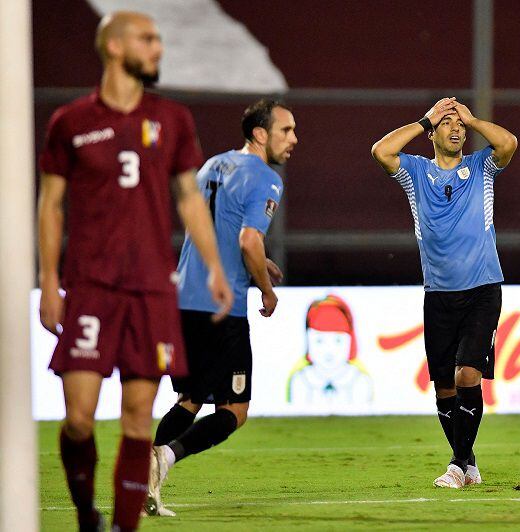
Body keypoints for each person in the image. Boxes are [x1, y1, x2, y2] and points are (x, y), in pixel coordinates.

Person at [37, 11, 232, 531]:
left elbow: (189, 196)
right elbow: (51, 205)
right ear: (116, 47)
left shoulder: (172, 120)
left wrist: (214, 266)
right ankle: (85, 513)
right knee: (78, 420)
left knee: (138, 421)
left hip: (150, 292)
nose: (158, 48)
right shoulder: (70, 122)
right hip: (90, 288)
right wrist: (50, 282)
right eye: (148, 39)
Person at [145, 98, 297, 516]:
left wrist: (255, 259)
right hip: (221, 307)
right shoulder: (266, 178)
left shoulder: (212, 164)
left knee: (189, 399)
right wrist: (265, 287)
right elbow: (249, 238)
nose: (294, 139)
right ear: (260, 134)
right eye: (286, 130)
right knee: (234, 410)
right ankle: (166, 457)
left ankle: (146, 485)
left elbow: (212, 226)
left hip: (185, 298)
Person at [371, 98, 517, 488]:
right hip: (438, 293)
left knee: (468, 372)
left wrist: (473, 118)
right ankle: (468, 463)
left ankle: (455, 464)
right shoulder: (415, 172)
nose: (456, 130)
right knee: (444, 387)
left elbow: (508, 144)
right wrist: (425, 119)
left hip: (483, 287)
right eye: (448, 124)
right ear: (433, 132)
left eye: (460, 126)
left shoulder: (480, 167)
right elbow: (381, 151)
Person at [287, 295, 374, 406]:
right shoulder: (300, 381)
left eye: (337, 340)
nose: (329, 350)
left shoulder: (359, 381)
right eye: (319, 341)